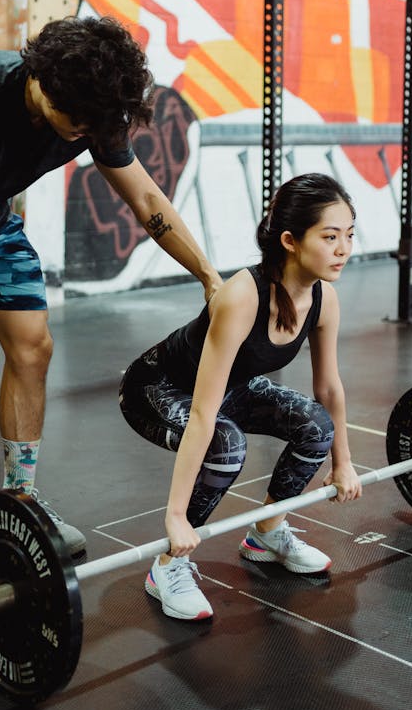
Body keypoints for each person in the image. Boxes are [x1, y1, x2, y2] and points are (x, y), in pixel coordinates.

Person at [0, 15, 222, 603]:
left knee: (35, 349)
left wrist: (209, 275)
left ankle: (21, 505)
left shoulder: (92, 113)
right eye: (77, 123)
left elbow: (145, 198)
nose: (83, 136)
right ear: (44, 85)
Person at [119, 172, 362, 622]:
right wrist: (175, 517)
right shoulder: (242, 297)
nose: (344, 248)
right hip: (156, 388)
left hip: (230, 386)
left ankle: (267, 532)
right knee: (226, 444)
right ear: (290, 240)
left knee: (316, 427)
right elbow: (203, 414)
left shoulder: (324, 298)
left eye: (349, 235)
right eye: (330, 237)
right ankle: (170, 564)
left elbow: (328, 388)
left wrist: (342, 462)